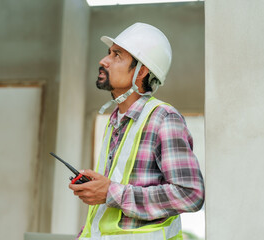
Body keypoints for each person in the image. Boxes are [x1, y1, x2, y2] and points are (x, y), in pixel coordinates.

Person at [69, 22, 205, 240]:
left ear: (141, 71)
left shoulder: (163, 118)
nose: (103, 61)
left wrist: (111, 192)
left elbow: (190, 194)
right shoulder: (115, 121)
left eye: (117, 55)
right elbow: (111, 211)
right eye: (108, 53)